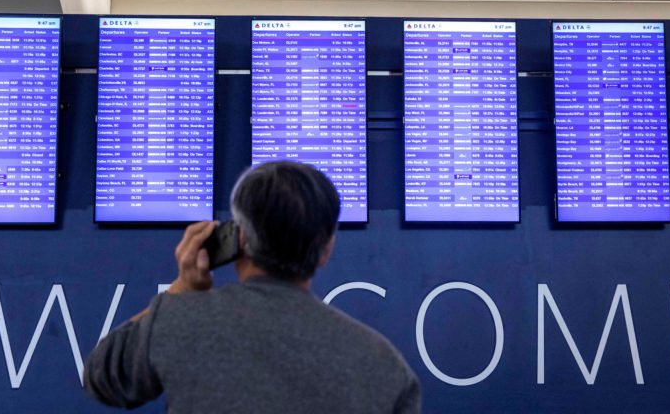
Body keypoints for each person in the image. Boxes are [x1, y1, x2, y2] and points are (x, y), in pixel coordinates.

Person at [83, 161, 421, 413]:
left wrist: (183, 286)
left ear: (238, 239)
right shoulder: (385, 367)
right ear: (326, 250)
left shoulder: (177, 320)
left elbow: (102, 377)